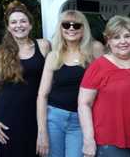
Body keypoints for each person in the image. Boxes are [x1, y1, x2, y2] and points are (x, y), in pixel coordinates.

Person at [78, 15, 130, 157]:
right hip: (110, 139)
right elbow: (84, 104)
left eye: (127, 36)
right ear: (108, 41)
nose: (123, 41)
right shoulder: (98, 66)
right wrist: (88, 139)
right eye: (116, 37)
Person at [0, 0, 51, 157]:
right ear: (9, 27)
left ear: (30, 25)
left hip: (37, 114)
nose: (19, 25)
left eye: (23, 21)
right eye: (13, 22)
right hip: (8, 116)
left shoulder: (43, 46)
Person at [36, 10, 98, 157]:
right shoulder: (53, 56)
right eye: (66, 24)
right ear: (61, 28)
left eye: (76, 25)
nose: (71, 28)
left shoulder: (93, 53)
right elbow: (42, 95)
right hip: (54, 119)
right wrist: (42, 131)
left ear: (83, 29)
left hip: (80, 120)